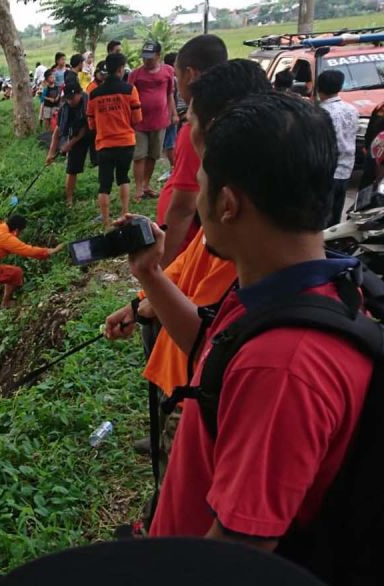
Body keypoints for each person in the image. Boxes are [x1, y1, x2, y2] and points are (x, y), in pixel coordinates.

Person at [129, 93, 373, 561]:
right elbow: (211, 351)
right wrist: (150, 274)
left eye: (200, 185)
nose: (194, 200)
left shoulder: (282, 369)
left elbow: (241, 552)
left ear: (226, 204)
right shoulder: (289, 291)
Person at [105, 58, 270, 484]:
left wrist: (149, 281)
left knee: (188, 479)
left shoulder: (240, 238)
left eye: (189, 119)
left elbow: (206, 336)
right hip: (188, 368)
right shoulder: (230, 226)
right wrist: (142, 298)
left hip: (199, 387)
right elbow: (191, 278)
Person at [157, 35, 234, 267]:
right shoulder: (227, 116)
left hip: (187, 252)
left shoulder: (198, 130)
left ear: (191, 75)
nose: (177, 85)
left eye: (177, 77)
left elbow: (183, 207)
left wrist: (162, 267)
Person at [0, 215, 63, 346]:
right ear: (18, 230)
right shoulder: (7, 239)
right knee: (16, 273)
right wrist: (50, 251)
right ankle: (5, 302)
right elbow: (27, 250)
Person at [88, 52, 141, 228]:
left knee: (104, 184)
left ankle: (105, 222)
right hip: (126, 142)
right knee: (123, 177)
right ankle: (125, 214)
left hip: (104, 144)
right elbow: (137, 119)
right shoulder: (130, 90)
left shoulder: (94, 94)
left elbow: (91, 123)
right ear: (120, 69)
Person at [129, 40, 177, 201]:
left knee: (153, 155)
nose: (147, 61)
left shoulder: (168, 71)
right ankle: (138, 189)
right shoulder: (135, 74)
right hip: (139, 122)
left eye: (150, 57)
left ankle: (146, 185)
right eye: (144, 57)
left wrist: (173, 114)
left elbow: (170, 94)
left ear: (158, 56)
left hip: (160, 121)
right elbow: (128, 97)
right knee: (139, 156)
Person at [318, 69, 358, 228]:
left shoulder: (321, 113)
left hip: (327, 170)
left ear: (318, 88)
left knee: (323, 216)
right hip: (347, 168)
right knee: (336, 213)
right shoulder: (352, 110)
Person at [46, 81, 91, 207]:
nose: (71, 101)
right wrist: (51, 153)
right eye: (68, 99)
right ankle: (69, 199)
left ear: (79, 94)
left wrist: (70, 144)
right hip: (75, 134)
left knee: (101, 161)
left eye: (73, 98)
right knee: (71, 168)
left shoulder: (88, 103)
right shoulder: (64, 109)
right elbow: (57, 132)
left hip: (92, 132)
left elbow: (85, 129)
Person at [161, 52, 180, 170]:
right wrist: (174, 114)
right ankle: (175, 167)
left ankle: (174, 167)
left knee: (169, 142)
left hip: (165, 114)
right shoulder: (173, 79)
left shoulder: (164, 77)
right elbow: (172, 97)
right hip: (172, 113)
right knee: (171, 142)